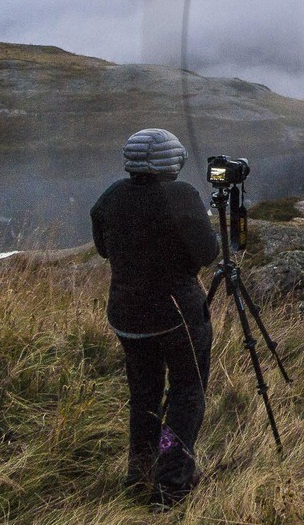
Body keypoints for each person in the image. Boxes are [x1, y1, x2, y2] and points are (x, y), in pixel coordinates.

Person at [91, 128, 219, 505]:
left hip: (127, 318)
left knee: (143, 394)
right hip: (177, 315)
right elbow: (207, 253)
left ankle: (140, 472)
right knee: (185, 393)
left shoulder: (112, 196)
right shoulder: (180, 196)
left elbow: (102, 249)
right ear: (172, 161)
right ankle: (172, 482)